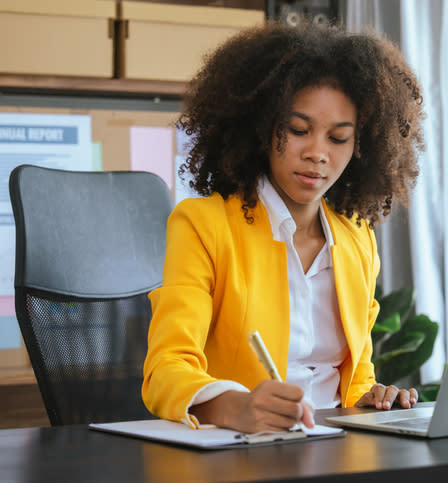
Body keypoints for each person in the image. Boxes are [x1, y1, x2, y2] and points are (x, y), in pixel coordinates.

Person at [142, 19, 425, 434]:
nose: (317, 153)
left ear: (362, 148)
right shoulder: (204, 225)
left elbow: (355, 376)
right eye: (298, 130)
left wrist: (370, 396)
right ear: (262, 127)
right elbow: (166, 370)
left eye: (338, 138)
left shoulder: (356, 240)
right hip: (245, 451)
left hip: (339, 447)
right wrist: (235, 406)